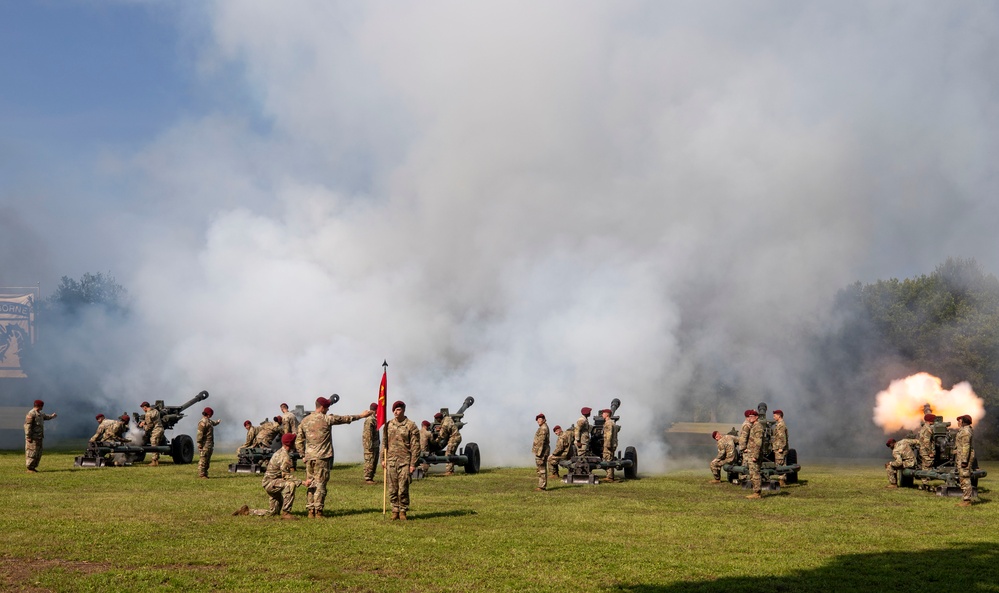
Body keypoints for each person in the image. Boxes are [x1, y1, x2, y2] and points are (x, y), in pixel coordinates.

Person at [295, 396, 373, 518]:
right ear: (321, 408)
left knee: (310, 483)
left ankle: (310, 510)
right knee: (320, 484)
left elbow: (299, 440)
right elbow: (345, 419)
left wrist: (302, 455)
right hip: (322, 457)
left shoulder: (304, 421)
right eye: (326, 407)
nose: (327, 409)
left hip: (309, 458)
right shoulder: (327, 419)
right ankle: (319, 511)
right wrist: (361, 416)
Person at [234, 433, 312, 519]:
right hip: (271, 483)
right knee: (290, 485)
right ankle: (286, 513)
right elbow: (285, 475)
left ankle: (247, 511)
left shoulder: (280, 452)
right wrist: (303, 482)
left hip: (271, 482)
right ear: (290, 443)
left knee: (273, 513)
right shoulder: (284, 456)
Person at [383, 400, 420, 520]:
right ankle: (395, 510)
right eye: (394, 410)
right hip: (391, 461)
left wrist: (413, 463)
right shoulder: (388, 425)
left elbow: (415, 446)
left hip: (405, 461)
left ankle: (403, 510)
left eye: (398, 409)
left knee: (403, 488)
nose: (395, 412)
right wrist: (383, 459)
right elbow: (384, 443)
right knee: (392, 488)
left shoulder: (411, 426)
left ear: (403, 410)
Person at [24, 400, 57, 473]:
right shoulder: (31, 413)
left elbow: (46, 417)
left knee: (38, 453)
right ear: (40, 406)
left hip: (39, 437)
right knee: (32, 453)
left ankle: (34, 467)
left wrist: (52, 416)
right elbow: (27, 426)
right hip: (33, 438)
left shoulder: (40, 414)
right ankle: (30, 468)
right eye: (42, 406)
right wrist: (28, 436)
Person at [954, 415, 976, 507]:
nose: (958, 422)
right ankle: (965, 499)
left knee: (965, 477)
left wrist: (964, 461)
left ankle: (967, 500)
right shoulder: (963, 430)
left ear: (964, 422)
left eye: (959, 421)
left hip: (964, 458)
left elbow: (966, 447)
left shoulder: (966, 432)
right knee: (963, 477)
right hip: (961, 456)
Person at [196, 407, 222, 478]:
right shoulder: (203, 422)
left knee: (207, 460)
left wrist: (218, 422)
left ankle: (205, 473)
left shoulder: (208, 421)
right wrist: (199, 444)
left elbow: (213, 423)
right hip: (205, 444)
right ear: (208, 414)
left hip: (209, 444)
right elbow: (199, 434)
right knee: (203, 459)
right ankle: (202, 474)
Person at [745, 410, 764, 499]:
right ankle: (756, 492)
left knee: (755, 473)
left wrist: (755, 455)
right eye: (749, 416)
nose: (750, 418)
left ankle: (757, 493)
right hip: (752, 453)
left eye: (752, 416)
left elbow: (758, 442)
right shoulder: (754, 426)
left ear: (756, 417)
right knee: (752, 473)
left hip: (754, 454)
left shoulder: (757, 427)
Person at [436, 411, 462, 476]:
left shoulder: (444, 424)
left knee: (449, 454)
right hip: (455, 437)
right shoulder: (447, 418)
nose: (437, 421)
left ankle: (449, 472)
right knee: (450, 453)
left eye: (437, 420)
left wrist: (435, 441)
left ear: (439, 418)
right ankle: (450, 470)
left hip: (454, 438)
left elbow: (442, 435)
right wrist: (441, 428)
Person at [139, 401, 164, 466]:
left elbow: (149, 427)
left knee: (154, 445)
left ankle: (154, 462)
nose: (143, 410)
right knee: (156, 444)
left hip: (155, 430)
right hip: (160, 429)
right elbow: (153, 420)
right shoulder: (156, 411)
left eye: (143, 408)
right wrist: (145, 422)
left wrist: (143, 426)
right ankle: (156, 461)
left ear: (145, 407)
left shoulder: (147, 414)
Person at [917, 413, 936, 490]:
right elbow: (927, 442)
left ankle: (925, 484)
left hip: (923, 450)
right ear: (930, 421)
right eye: (933, 420)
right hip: (926, 451)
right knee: (928, 466)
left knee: (925, 466)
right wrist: (930, 452)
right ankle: (928, 484)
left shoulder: (923, 428)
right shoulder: (928, 429)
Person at [362, 402, 379, 484]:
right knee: (369, 461)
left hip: (375, 444)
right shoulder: (370, 419)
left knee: (374, 461)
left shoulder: (374, 419)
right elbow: (368, 433)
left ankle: (371, 477)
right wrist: (369, 445)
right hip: (370, 445)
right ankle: (368, 478)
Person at [771, 409, 789, 486]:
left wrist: (781, 447)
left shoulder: (780, 425)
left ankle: (782, 481)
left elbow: (782, 437)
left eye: (774, 415)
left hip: (780, 448)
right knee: (781, 463)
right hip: (778, 447)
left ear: (779, 415)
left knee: (780, 464)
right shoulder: (779, 424)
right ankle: (782, 480)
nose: (773, 417)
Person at [533, 413, 550, 491]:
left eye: (540, 419)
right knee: (540, 468)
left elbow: (541, 441)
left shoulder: (543, 428)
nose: (538, 421)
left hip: (542, 451)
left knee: (541, 469)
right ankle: (541, 485)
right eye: (537, 419)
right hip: (542, 450)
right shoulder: (543, 427)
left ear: (544, 420)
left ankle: (542, 486)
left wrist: (539, 453)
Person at [600, 409, 617, 482]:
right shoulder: (612, 422)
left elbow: (609, 434)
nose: (602, 415)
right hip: (612, 443)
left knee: (608, 459)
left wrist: (608, 444)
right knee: (610, 458)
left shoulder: (608, 423)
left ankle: (609, 477)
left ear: (607, 414)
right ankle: (610, 476)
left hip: (608, 444)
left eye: (603, 414)